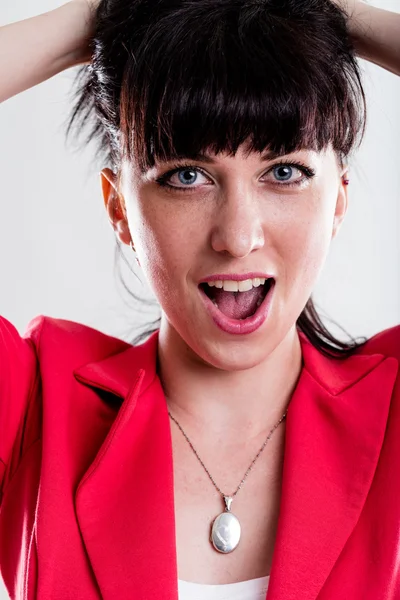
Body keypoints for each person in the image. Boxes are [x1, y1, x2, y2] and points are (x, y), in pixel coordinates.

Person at [0, 1, 399, 599]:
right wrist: (109, 13)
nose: (238, 237)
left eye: (284, 172)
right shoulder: (36, 405)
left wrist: (325, 9)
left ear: (337, 200)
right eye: (187, 176)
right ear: (120, 211)